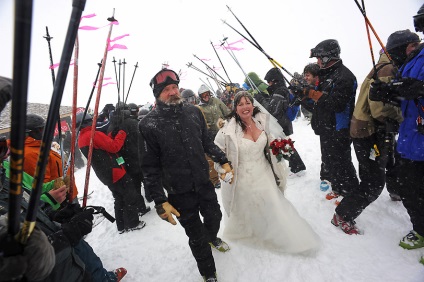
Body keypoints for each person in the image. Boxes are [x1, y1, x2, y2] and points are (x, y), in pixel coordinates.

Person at [139, 68, 233, 282]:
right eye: (166, 90)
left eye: (174, 87)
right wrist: (159, 201)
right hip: (178, 192)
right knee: (195, 235)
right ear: (158, 95)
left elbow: (206, 141)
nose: (172, 92)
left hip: (203, 183)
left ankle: (212, 237)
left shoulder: (193, 112)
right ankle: (208, 272)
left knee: (215, 216)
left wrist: (223, 159)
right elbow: (149, 167)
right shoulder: (147, 124)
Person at [332, 30, 419, 235]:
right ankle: (343, 215)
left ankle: (396, 191)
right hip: (368, 132)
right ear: (404, 48)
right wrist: (403, 118)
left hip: (374, 131)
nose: (417, 50)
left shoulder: (387, 64)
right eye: (414, 45)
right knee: (372, 182)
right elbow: (381, 110)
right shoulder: (388, 67)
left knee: (391, 161)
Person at [214, 91, 319, 253]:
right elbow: (217, 154)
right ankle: (251, 230)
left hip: (264, 171)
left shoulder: (261, 122)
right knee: (249, 206)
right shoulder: (226, 131)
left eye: (247, 103)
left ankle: (282, 235)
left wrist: (280, 146)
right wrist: (222, 169)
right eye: (240, 104)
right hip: (242, 176)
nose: (244, 107)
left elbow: (269, 143)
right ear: (235, 108)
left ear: (253, 105)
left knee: (273, 203)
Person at [370, 5, 424, 261]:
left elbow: (417, 90)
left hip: (420, 139)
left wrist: (415, 88)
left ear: (408, 47)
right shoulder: (409, 64)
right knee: (410, 189)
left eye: (395, 53)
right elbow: (406, 96)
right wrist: (388, 92)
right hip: (410, 140)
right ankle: (420, 229)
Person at [293, 39, 359, 202]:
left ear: (329, 57)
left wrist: (312, 93)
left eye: (319, 58)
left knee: (343, 162)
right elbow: (317, 102)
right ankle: (337, 188)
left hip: (339, 128)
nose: (317, 62)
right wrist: (302, 93)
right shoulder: (325, 75)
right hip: (326, 127)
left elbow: (336, 104)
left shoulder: (345, 76)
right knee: (330, 162)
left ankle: (350, 192)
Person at [77, 113, 146, 234]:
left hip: (104, 173)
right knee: (129, 195)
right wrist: (121, 133)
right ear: (87, 122)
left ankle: (121, 225)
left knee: (119, 197)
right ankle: (133, 222)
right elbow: (114, 147)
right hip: (114, 170)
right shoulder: (93, 135)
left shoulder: (81, 138)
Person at [256, 67, 307, 176]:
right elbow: (275, 104)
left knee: (284, 145)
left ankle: (298, 167)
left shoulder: (280, 90)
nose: (268, 84)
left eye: (269, 81)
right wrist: (266, 97)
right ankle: (296, 166)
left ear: (275, 80)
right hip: (282, 122)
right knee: (283, 145)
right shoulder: (280, 89)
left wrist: (261, 99)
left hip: (280, 123)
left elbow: (272, 109)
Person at [23, 114, 79, 204]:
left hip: (68, 192)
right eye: (42, 129)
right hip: (62, 200)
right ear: (31, 133)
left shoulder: (39, 146)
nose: (46, 132)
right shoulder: (30, 154)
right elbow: (43, 186)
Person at [108, 105, 151, 214]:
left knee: (135, 185)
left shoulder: (111, 126)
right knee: (146, 178)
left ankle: (140, 208)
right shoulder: (132, 122)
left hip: (124, 160)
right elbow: (143, 137)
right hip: (138, 156)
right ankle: (151, 196)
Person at [182, 89, 221, 189]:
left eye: (192, 99)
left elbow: (203, 122)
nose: (191, 101)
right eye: (188, 100)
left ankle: (214, 179)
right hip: (190, 141)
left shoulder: (198, 109)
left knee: (209, 159)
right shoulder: (181, 112)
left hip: (202, 137)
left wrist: (207, 131)